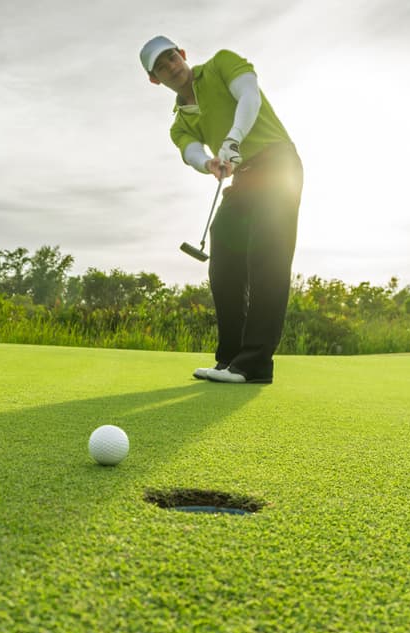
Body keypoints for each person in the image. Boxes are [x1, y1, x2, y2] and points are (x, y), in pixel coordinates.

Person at [140, 35, 303, 385]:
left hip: (278, 164)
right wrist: (209, 163)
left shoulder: (221, 64)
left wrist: (233, 138)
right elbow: (190, 151)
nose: (171, 67)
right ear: (155, 80)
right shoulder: (179, 124)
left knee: (267, 257)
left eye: (172, 57)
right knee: (225, 254)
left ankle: (256, 363)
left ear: (183, 55)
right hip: (242, 178)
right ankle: (230, 359)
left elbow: (249, 95)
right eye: (161, 67)